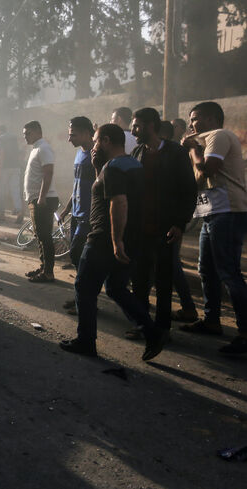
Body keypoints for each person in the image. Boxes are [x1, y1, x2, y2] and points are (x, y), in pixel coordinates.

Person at [59, 124, 166, 361]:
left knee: (84, 287)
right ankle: (153, 331)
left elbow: (119, 202)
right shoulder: (132, 165)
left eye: (97, 141)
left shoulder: (114, 167)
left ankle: (85, 341)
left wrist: (116, 241)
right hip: (130, 238)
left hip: (104, 238)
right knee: (116, 288)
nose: (95, 146)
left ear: (106, 141)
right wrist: (98, 167)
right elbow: (109, 191)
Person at [179, 102, 247, 354]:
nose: (191, 125)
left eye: (195, 119)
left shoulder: (219, 136)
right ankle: (211, 320)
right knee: (206, 269)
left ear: (210, 118)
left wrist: (194, 149)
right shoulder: (202, 141)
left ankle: (245, 332)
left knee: (229, 273)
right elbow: (199, 181)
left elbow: (208, 168)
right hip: (211, 213)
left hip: (228, 212)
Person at [125, 108, 197, 340]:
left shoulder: (175, 152)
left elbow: (189, 190)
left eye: (136, 126)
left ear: (150, 126)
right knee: (139, 280)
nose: (133, 130)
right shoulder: (136, 152)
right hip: (139, 229)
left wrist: (180, 223)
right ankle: (143, 324)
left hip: (166, 228)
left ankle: (163, 328)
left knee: (164, 282)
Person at [56, 117, 96, 314]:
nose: (69, 138)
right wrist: (67, 209)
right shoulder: (80, 155)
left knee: (81, 257)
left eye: (73, 134)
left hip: (90, 216)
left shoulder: (97, 155)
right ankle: (82, 298)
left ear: (87, 133)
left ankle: (87, 302)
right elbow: (77, 185)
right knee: (77, 257)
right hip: (77, 213)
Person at [22, 120, 59, 283]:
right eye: (24, 134)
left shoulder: (44, 148)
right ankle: (44, 267)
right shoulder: (36, 148)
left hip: (43, 199)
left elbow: (48, 173)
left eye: (27, 133)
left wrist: (42, 197)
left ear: (37, 132)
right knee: (40, 235)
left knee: (44, 236)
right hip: (37, 198)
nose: (25, 137)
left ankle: (49, 273)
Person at [0, 124, 24, 223]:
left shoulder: (1, 138)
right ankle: (19, 212)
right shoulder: (14, 137)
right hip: (16, 167)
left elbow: (1, 153)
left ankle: (1, 214)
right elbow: (20, 152)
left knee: (1, 191)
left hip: (5, 168)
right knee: (15, 190)